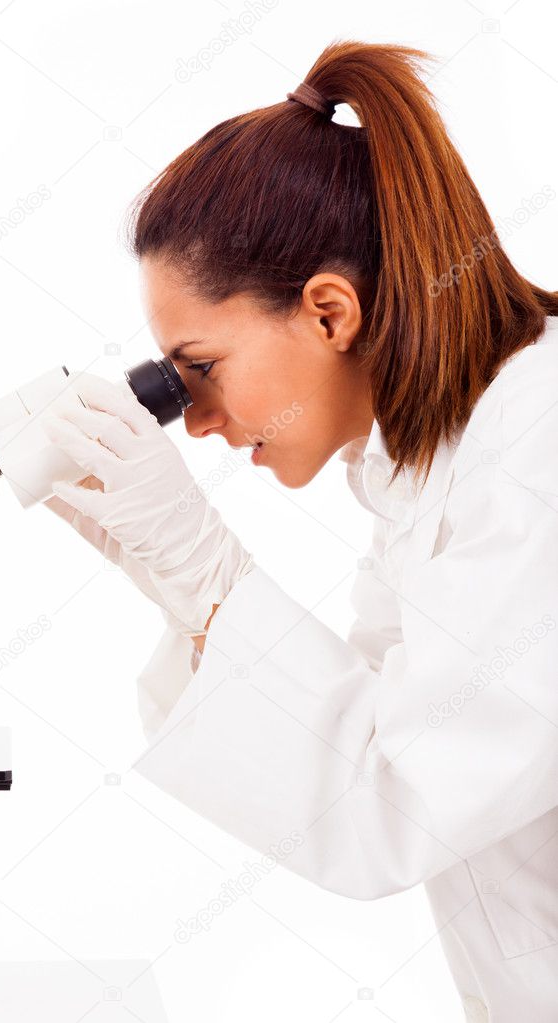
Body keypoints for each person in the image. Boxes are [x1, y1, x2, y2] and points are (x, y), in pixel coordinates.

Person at [42, 40, 558, 1022]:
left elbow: (391, 807)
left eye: (197, 367)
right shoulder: (423, 464)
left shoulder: (536, 443)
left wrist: (203, 565)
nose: (192, 418)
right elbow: (366, 734)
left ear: (329, 312)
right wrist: (177, 584)